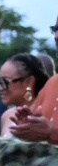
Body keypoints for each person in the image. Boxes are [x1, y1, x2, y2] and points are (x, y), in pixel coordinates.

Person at [9, 14, 58, 145]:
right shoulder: (52, 83)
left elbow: (49, 133)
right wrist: (28, 127)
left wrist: (52, 133)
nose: (56, 36)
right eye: (55, 29)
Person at [0, 53, 50, 139]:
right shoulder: (7, 116)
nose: (0, 88)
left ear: (29, 82)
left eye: (5, 82)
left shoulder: (46, 114)